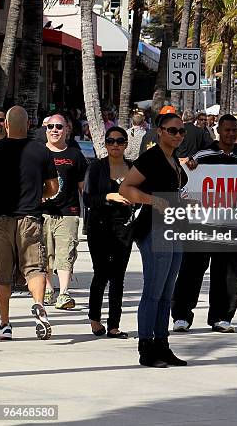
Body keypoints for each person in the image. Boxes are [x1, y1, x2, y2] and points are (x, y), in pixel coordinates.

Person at [171, 114, 237, 335]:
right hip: (201, 223)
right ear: (219, 131)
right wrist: (187, 165)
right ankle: (181, 316)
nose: (231, 134)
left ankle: (222, 317)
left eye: (234, 130)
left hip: (231, 224)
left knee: (228, 273)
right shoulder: (202, 156)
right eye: (227, 130)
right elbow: (183, 179)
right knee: (191, 269)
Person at [120, 113, 188, 368]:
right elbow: (125, 188)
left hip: (174, 225)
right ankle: (146, 347)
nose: (178, 135)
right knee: (153, 291)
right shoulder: (151, 158)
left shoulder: (173, 160)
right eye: (172, 130)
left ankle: (162, 344)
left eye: (181, 131)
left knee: (166, 292)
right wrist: (153, 200)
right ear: (159, 131)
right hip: (154, 228)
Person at [0, 106, 58, 341]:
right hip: (30, 218)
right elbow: (54, 188)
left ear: (7, 126)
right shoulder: (41, 152)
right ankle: (39, 305)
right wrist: (39, 195)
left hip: (1, 220)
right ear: (29, 125)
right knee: (34, 268)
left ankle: (4, 324)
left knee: (1, 274)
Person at [83, 127, 133, 339]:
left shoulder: (132, 168)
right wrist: (109, 196)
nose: (115, 145)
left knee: (118, 277)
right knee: (101, 274)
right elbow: (87, 199)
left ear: (125, 144)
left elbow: (143, 192)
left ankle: (114, 325)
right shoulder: (96, 168)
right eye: (111, 141)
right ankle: (95, 318)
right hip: (99, 226)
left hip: (124, 228)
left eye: (120, 141)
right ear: (105, 144)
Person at [43, 115, 88, 309]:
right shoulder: (37, 152)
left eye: (59, 127)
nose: (54, 130)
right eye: (51, 126)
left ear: (66, 130)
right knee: (43, 254)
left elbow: (83, 187)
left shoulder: (75, 155)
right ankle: (46, 290)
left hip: (68, 212)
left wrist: (92, 209)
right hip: (41, 213)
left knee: (66, 252)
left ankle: (63, 293)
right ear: (46, 129)